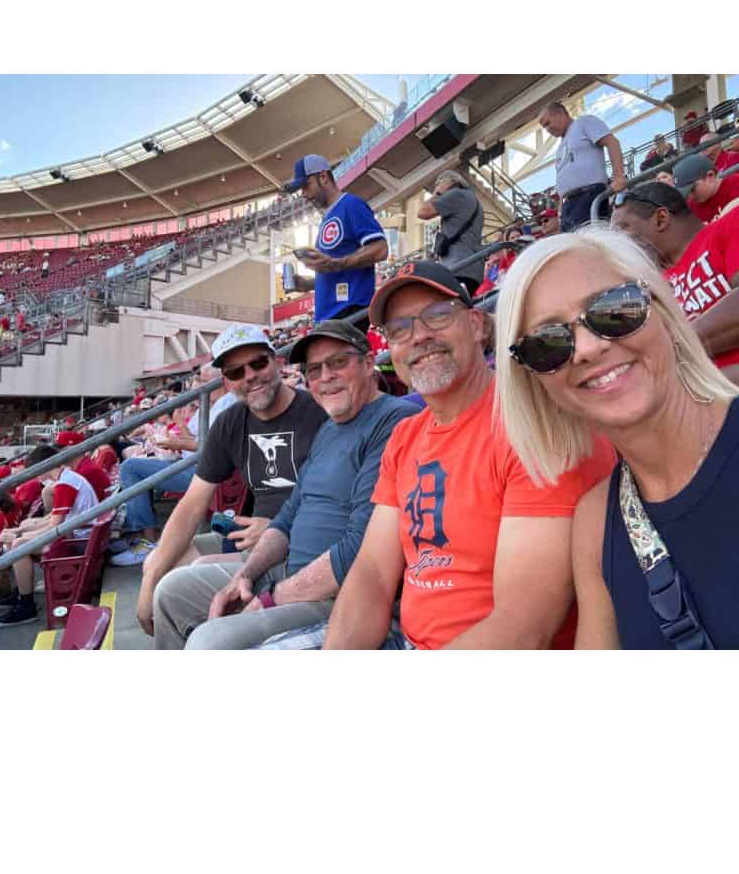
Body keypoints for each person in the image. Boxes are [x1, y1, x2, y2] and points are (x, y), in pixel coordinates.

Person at [311, 261, 614, 651]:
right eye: (399, 329)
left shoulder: (534, 425)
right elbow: (372, 573)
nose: (418, 336)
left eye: (436, 315)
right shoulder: (406, 436)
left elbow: (524, 624)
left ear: (475, 324)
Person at [497, 225, 739, 648]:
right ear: (537, 382)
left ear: (662, 311)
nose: (587, 348)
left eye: (614, 309)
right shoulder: (594, 523)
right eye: (548, 343)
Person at [151, 320, 420, 649]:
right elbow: (288, 516)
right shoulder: (331, 426)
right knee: (171, 592)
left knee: (209, 643)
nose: (325, 377)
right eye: (314, 369)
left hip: (339, 593)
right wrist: (245, 576)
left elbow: (361, 549)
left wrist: (271, 598)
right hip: (287, 571)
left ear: (368, 363)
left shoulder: (394, 421)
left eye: (338, 362)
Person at [135, 325, 328, 635]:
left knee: (173, 588)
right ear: (226, 382)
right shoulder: (230, 422)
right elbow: (191, 506)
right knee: (158, 563)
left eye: (258, 363)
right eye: (236, 371)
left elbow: (339, 501)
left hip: (297, 549)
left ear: (277, 363)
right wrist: (148, 581)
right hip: (253, 542)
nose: (249, 375)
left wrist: (280, 527)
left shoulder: (320, 413)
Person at [610, 181, 739, 384]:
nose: (617, 245)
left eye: (621, 230)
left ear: (661, 219)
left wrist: (667, 349)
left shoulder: (730, 224)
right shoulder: (650, 288)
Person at [115, 363, 236, 564]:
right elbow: (197, 439)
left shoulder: (227, 404)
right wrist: (177, 435)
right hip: (190, 463)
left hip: (204, 472)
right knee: (133, 464)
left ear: (218, 381)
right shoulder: (208, 404)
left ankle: (147, 540)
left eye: (202, 382)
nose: (198, 387)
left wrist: (175, 443)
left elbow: (210, 447)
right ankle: (143, 536)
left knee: (131, 468)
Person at [0, 444, 100, 628]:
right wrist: (21, 530)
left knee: (18, 546)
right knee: (21, 533)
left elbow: (55, 527)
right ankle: (22, 592)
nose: (34, 475)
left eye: (36, 469)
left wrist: (22, 536)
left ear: (46, 465)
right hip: (81, 534)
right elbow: (54, 521)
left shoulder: (65, 483)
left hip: (80, 540)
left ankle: (26, 606)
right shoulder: (67, 478)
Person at [283, 154, 387, 329]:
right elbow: (337, 268)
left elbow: (380, 249)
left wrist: (335, 264)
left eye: (306, 186)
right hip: (329, 315)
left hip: (347, 310)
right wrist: (307, 284)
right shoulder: (328, 217)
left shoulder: (350, 205)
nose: (305, 195)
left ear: (323, 177)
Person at [537, 101, 626, 231]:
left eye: (548, 123)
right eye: (544, 127)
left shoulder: (583, 123)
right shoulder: (561, 146)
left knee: (590, 242)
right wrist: (561, 208)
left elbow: (612, 142)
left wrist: (619, 176)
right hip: (569, 204)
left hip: (588, 195)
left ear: (560, 113)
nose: (547, 129)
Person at [417, 170, 485, 295]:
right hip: (472, 269)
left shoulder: (457, 194)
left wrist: (437, 193)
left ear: (450, 182)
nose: (436, 187)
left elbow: (423, 212)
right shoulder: (473, 200)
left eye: (438, 183)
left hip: (458, 268)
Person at [673, 152, 739, 223]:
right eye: (686, 193)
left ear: (710, 176)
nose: (690, 196)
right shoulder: (691, 206)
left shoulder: (735, 185)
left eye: (692, 189)